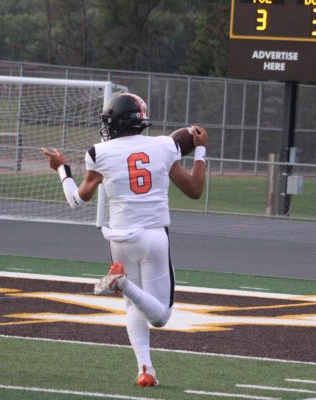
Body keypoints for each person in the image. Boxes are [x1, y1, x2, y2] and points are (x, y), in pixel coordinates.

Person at [42, 92, 207, 386]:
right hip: (154, 236)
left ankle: (145, 369)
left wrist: (62, 169)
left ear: (116, 122)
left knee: (133, 308)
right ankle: (122, 283)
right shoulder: (164, 146)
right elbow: (194, 189)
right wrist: (201, 151)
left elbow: (76, 201)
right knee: (160, 317)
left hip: (118, 238)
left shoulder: (98, 153)